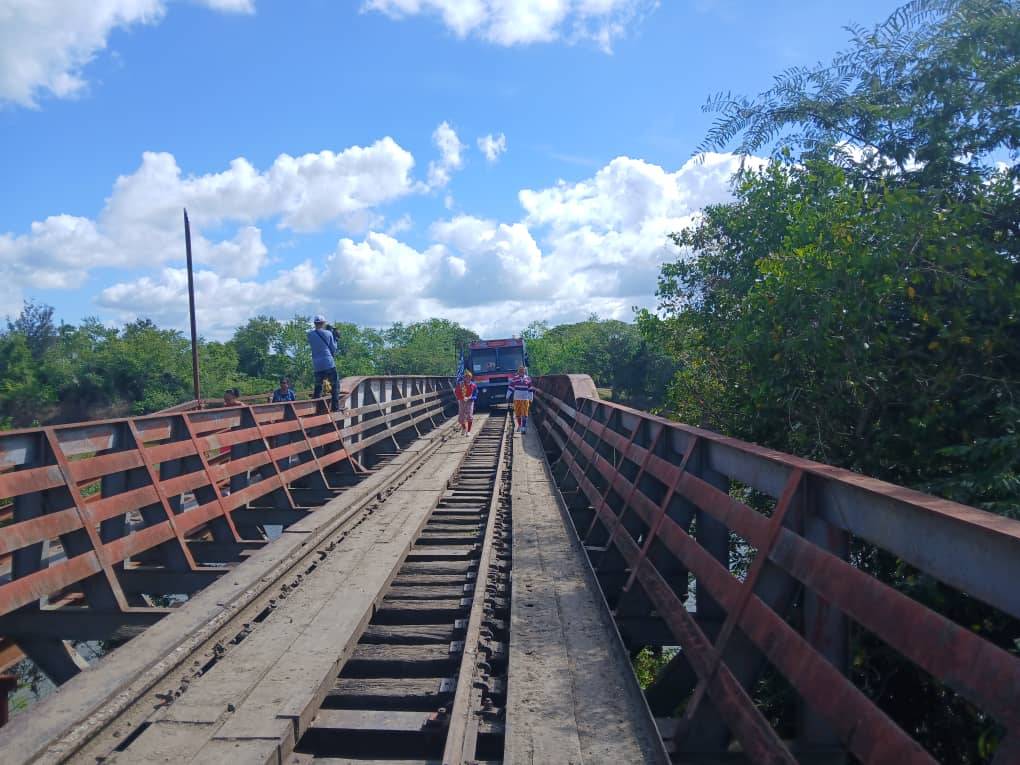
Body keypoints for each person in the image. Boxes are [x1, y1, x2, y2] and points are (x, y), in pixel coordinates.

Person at [307, 315, 340, 411]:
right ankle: (335, 407)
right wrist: (335, 338)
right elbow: (334, 349)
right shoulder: (328, 334)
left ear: (315, 323)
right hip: (328, 363)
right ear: (323, 323)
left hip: (317, 364)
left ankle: (316, 408)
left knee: (318, 386)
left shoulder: (310, 334)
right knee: (335, 385)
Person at [507, 366, 534, 434]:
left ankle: (523, 428)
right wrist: (507, 395)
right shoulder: (515, 379)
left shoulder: (528, 378)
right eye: (520, 371)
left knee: (524, 414)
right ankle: (519, 425)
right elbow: (511, 387)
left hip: (525, 399)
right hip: (517, 399)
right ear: (518, 372)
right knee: (518, 414)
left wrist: (531, 398)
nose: (521, 372)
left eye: (522, 371)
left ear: (524, 372)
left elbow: (530, 389)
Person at [455, 371, 478, 435]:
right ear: (464, 378)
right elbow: (456, 392)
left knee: (469, 415)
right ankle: (464, 428)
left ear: (471, 378)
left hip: (470, 401)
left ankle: (468, 431)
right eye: (466, 377)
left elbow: (475, 395)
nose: (468, 378)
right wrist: (462, 398)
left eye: (469, 377)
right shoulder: (461, 384)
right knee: (461, 416)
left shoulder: (473, 385)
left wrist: (470, 398)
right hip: (462, 401)